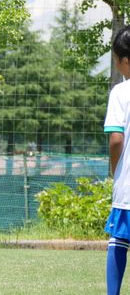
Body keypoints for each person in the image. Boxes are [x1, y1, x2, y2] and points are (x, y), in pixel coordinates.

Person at [105, 26, 130, 295]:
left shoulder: (121, 92)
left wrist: (116, 170)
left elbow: (115, 139)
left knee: (119, 238)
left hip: (128, 185)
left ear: (125, 60)